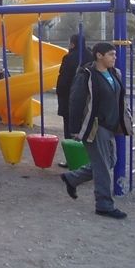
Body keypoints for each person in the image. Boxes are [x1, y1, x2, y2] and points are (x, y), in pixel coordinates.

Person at [60, 42, 133, 219]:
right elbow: (76, 102)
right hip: (95, 126)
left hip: (110, 126)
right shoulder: (87, 75)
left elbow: (120, 99)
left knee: (110, 161)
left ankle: (73, 178)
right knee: (102, 167)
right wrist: (76, 129)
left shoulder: (114, 73)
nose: (114, 58)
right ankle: (104, 204)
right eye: (111, 55)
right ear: (99, 56)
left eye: (114, 55)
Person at [56, 34, 91, 168]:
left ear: (73, 44)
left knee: (70, 127)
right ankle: (87, 157)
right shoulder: (91, 55)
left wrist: (60, 93)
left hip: (70, 97)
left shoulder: (69, 57)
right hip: (88, 97)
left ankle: (71, 158)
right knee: (86, 126)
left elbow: (63, 79)